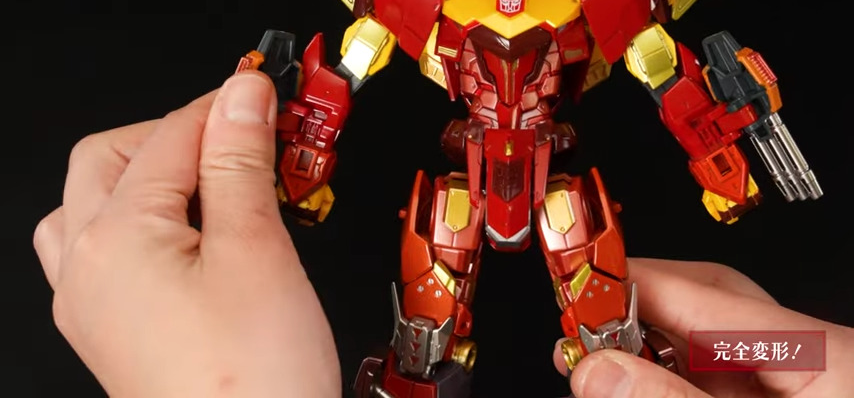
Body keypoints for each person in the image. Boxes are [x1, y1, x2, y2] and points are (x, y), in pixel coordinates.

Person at [34, 72, 854, 398]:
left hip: (552, 182)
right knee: (430, 318)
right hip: (473, 177)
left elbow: (664, 67)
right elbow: (347, 65)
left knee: (625, 322)